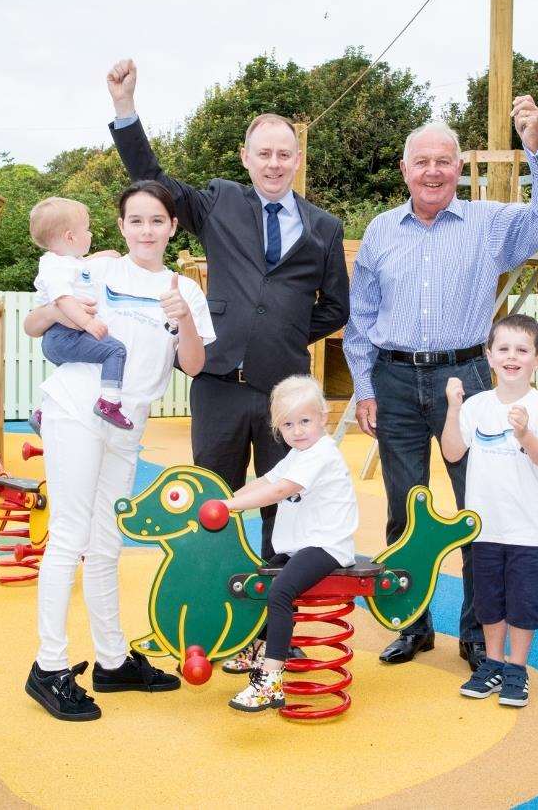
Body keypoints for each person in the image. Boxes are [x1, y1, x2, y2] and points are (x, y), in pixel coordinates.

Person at [343, 97, 538, 669]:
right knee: (404, 510)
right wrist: (364, 386)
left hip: (466, 376)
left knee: (477, 510)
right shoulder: (379, 231)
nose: (433, 171)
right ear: (405, 170)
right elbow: (361, 316)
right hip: (393, 379)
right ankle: (412, 624)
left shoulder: (489, 224)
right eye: (422, 162)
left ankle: (476, 634)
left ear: (458, 168)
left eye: (444, 161)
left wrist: (534, 142)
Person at [105, 59, 349, 570]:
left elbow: (337, 307)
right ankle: (212, 607)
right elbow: (152, 180)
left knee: (282, 506)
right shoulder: (219, 201)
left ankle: (267, 627)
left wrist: (283, 329)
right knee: (210, 501)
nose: (274, 163)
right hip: (217, 381)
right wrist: (125, 109)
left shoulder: (324, 227)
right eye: (264, 153)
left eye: (285, 154)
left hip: (282, 391)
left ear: (298, 159)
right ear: (246, 157)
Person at [21, 181, 215, 721]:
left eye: (157, 220)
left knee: (107, 542)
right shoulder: (97, 270)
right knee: (69, 535)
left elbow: (194, 365)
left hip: (128, 421)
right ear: (123, 226)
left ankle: (111, 661)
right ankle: (49, 667)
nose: (147, 230)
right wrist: (61, 313)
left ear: (173, 226)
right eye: (136, 220)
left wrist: (186, 319)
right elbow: (35, 322)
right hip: (81, 406)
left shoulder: (186, 289)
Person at [440, 314, 538, 707]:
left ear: (537, 360)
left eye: (522, 350)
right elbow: (452, 452)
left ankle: (517, 668)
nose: (513, 357)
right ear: (489, 357)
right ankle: (492, 663)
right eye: (504, 349)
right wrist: (453, 407)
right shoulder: (477, 406)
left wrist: (525, 434)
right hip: (485, 529)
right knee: (488, 602)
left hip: (527, 530)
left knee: (523, 603)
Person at [218, 375, 358, 712]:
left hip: (327, 546)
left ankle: (270, 680)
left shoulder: (320, 453)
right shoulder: (297, 453)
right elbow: (265, 480)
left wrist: (230, 507)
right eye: (288, 424)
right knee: (261, 579)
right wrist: (223, 499)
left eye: (305, 421)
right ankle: (259, 648)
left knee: (281, 591)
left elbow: (280, 490)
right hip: (303, 545)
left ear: (324, 417)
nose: (297, 431)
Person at [26, 196, 131, 433]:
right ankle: (109, 403)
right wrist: (88, 322)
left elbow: (81, 265)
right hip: (63, 335)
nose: (91, 234)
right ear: (70, 237)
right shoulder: (54, 267)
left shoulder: (67, 262)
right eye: (87, 229)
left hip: (61, 336)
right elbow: (63, 299)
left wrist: (104, 255)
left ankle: (45, 411)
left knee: (76, 374)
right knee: (115, 350)